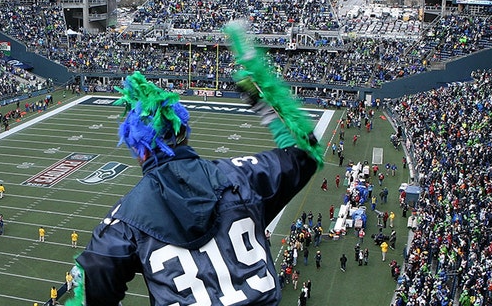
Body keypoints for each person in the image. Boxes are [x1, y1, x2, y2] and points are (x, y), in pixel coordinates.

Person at [69, 64, 322, 306]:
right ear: (184, 132)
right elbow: (306, 153)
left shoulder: (125, 220)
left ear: (139, 150)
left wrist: (85, 279)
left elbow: (95, 278)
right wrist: (262, 98)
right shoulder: (241, 175)